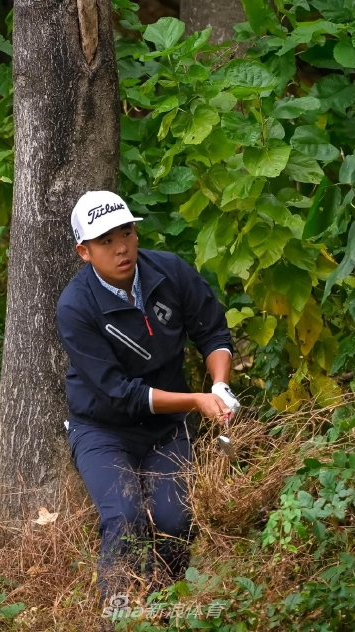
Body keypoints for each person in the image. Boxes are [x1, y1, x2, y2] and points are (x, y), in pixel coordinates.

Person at [55, 190, 241, 607]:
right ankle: (117, 613)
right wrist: (195, 401)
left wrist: (218, 386)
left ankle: (164, 610)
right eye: (105, 240)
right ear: (84, 251)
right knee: (125, 516)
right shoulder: (75, 306)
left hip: (166, 428)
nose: (121, 247)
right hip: (103, 429)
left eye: (127, 231)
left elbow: (212, 332)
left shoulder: (169, 271)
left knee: (177, 520)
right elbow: (121, 394)